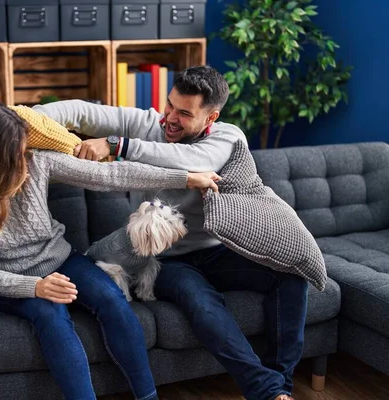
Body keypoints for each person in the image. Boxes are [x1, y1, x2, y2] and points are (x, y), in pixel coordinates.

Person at [32, 65, 307, 400]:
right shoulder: (148, 124)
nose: (169, 119)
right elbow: (81, 111)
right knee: (201, 304)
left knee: (292, 274)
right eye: (169, 106)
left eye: (184, 113)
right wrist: (29, 120)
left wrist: (117, 145)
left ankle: (280, 386)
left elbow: (185, 159)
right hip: (164, 260)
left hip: (219, 250)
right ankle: (267, 392)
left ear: (211, 117)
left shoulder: (228, 139)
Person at [0, 100, 222, 400]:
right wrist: (37, 287)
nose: (24, 160)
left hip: (61, 259)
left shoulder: (36, 162)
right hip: (13, 281)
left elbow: (110, 176)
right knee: (52, 317)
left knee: (112, 300)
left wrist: (184, 178)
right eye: (15, 155)